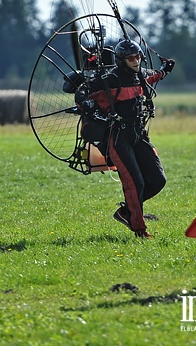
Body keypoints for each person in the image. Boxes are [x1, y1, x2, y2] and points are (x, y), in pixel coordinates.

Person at [74, 39, 175, 238]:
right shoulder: (110, 80)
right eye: (131, 58)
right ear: (122, 60)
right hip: (118, 137)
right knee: (135, 182)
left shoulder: (140, 76)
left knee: (157, 179)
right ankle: (140, 230)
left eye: (138, 56)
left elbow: (153, 76)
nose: (136, 61)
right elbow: (83, 91)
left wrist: (165, 69)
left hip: (138, 134)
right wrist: (86, 105)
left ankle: (127, 212)